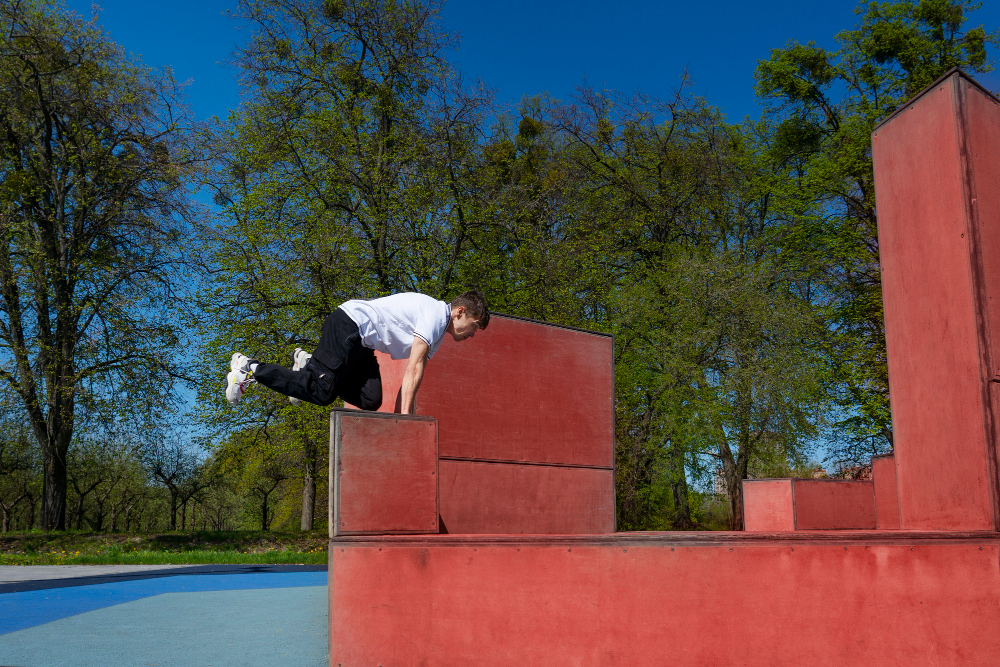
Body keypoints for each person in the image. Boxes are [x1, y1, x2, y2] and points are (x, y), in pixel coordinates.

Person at [225, 290, 489, 414]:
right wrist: (405, 419)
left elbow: (414, 374)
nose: (472, 334)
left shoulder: (439, 330)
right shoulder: (434, 315)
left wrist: (403, 415)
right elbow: (413, 368)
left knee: (370, 399)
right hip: (349, 326)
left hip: (362, 345)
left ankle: (309, 364)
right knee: (322, 392)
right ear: (460, 312)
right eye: (474, 326)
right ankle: (249, 367)